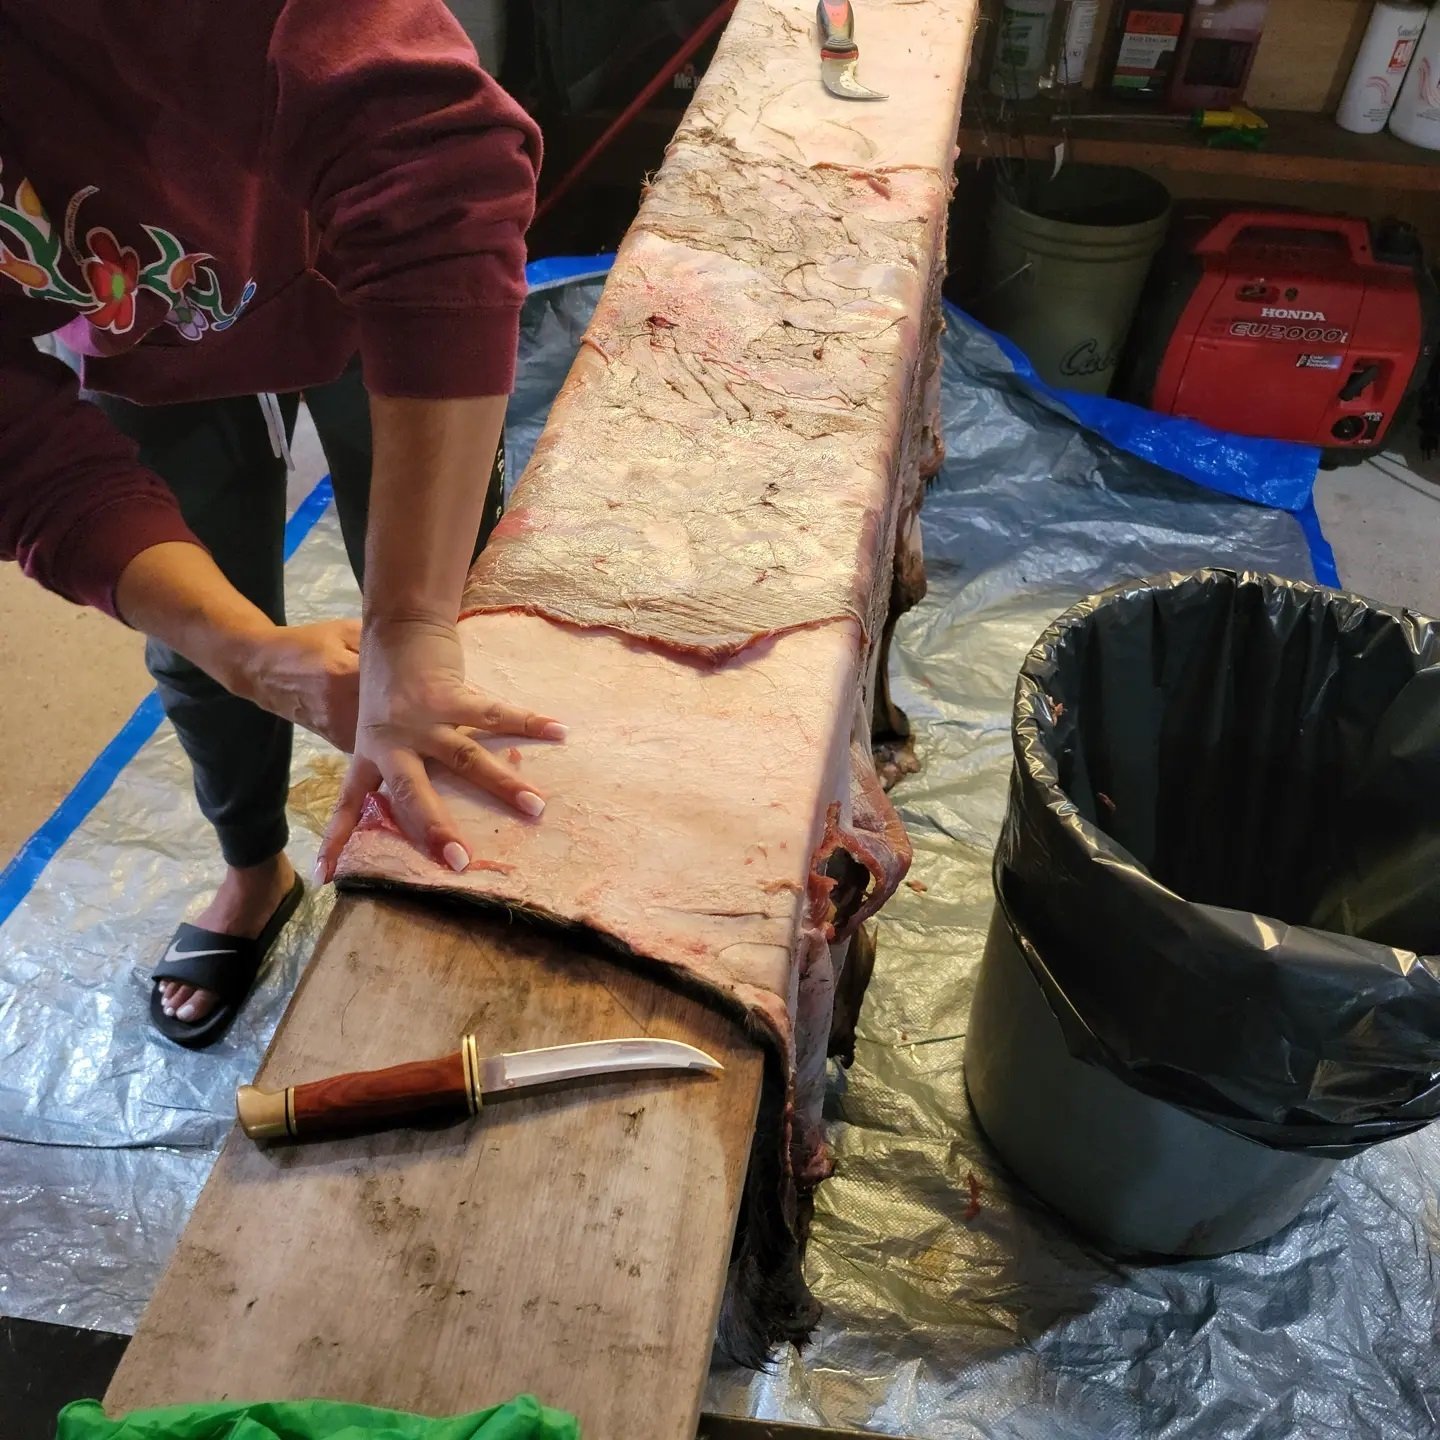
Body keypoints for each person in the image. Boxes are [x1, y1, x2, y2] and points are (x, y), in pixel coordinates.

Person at [0, 1, 563, 1047]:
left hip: (367, 283)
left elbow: (439, 169)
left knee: (450, 627)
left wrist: (409, 622)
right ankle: (253, 868)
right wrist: (249, 653)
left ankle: (460, 874)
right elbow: (21, 453)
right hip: (146, 342)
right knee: (197, 645)